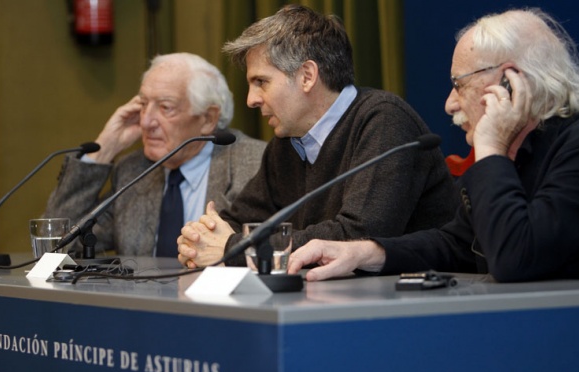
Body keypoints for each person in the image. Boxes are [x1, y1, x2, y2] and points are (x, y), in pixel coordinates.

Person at [287, 8, 579, 283]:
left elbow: (515, 257)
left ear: (508, 82)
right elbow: (458, 244)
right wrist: (363, 253)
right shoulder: (516, 150)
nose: (449, 104)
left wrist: (490, 146)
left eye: (459, 85)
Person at [177, 5, 457, 268]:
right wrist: (201, 240)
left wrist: (234, 249)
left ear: (307, 76)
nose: (251, 100)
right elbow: (239, 221)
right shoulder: (286, 143)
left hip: (419, 304)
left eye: (261, 82)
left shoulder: (384, 121)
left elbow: (357, 236)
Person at [45, 52, 266, 257]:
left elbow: (267, 253)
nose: (146, 121)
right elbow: (59, 245)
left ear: (208, 119)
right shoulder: (133, 170)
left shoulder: (254, 164)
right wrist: (105, 149)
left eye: (165, 107)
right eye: (143, 105)